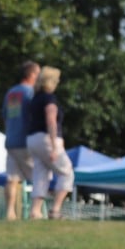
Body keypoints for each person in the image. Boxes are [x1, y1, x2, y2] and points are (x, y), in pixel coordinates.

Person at [25, 66, 74, 219]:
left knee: (41, 174)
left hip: (32, 140)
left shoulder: (35, 98)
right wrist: (54, 146)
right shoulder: (49, 98)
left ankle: (35, 211)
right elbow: (51, 120)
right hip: (47, 139)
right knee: (67, 173)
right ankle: (55, 210)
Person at [1, 60, 40, 220]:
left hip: (10, 140)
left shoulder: (11, 93)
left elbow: (4, 116)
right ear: (31, 75)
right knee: (38, 177)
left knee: (12, 178)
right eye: (38, 74)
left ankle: (10, 213)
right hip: (25, 141)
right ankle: (35, 212)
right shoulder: (31, 92)